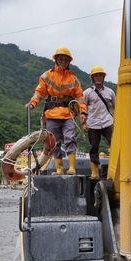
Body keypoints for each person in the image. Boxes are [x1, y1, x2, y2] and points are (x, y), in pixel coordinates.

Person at [26, 47, 87, 175]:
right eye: (61, 59)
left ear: (69, 62)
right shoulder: (47, 75)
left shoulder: (73, 78)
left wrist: (83, 112)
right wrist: (32, 103)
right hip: (51, 114)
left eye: (66, 59)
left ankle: (71, 168)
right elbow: (39, 92)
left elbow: (80, 97)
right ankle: (59, 169)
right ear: (56, 60)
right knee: (54, 142)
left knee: (70, 138)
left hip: (68, 114)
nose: (63, 61)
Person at [83, 66, 115, 179]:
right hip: (93, 123)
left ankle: (115, 169)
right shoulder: (87, 93)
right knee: (93, 148)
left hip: (108, 122)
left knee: (115, 144)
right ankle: (95, 172)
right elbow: (82, 109)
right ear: (92, 78)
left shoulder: (110, 92)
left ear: (104, 77)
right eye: (96, 75)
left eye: (100, 75)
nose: (98, 77)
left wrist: (115, 119)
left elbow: (115, 107)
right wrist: (83, 123)